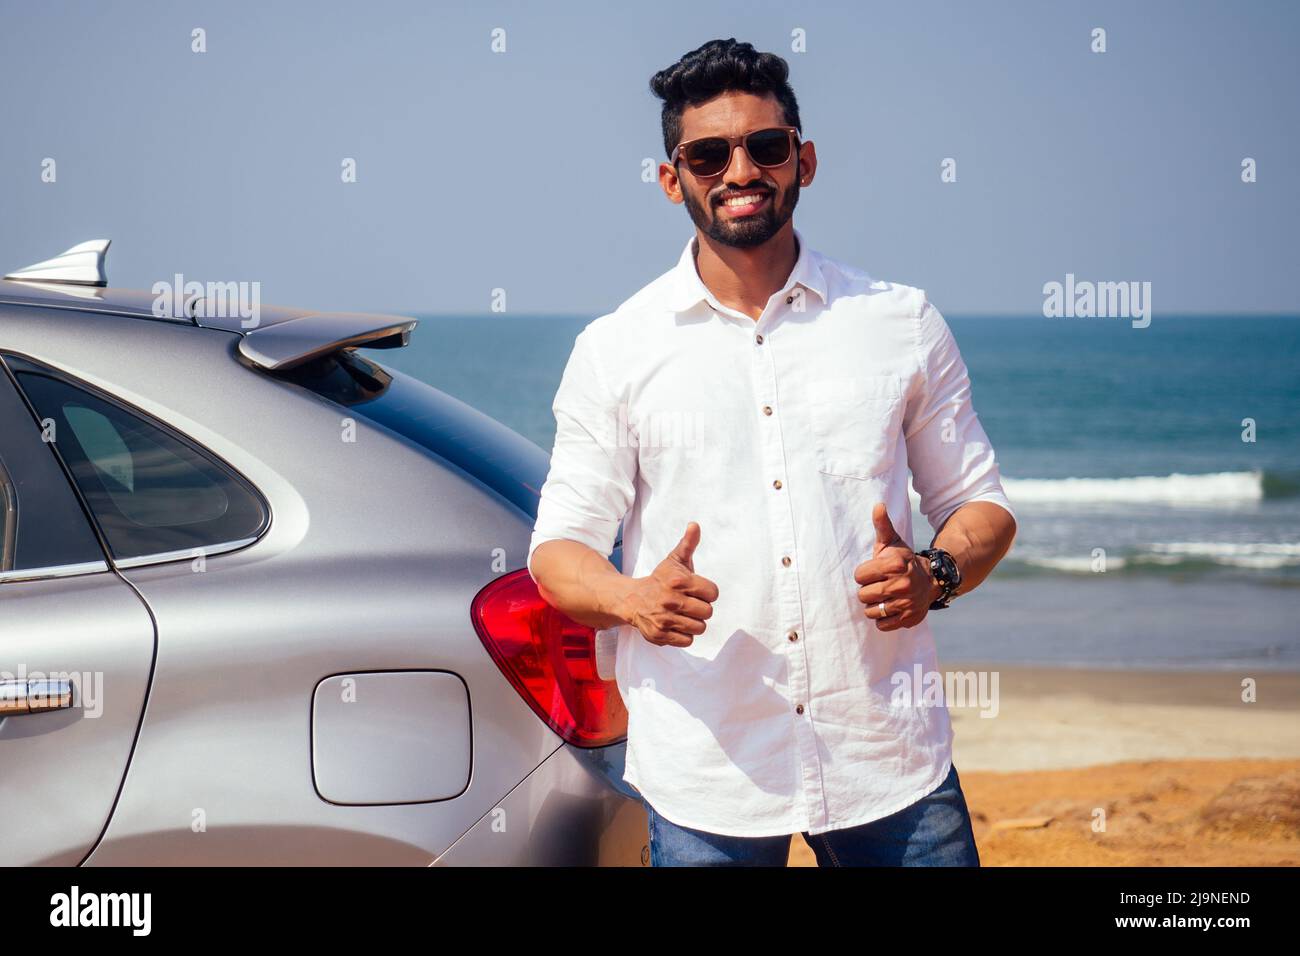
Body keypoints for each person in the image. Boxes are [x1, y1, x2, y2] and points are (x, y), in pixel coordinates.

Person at [527, 38, 1017, 866]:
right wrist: (632, 597)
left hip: (887, 761)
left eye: (765, 146)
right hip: (705, 771)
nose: (741, 170)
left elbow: (982, 506)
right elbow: (558, 553)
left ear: (805, 159)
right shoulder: (616, 350)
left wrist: (933, 574)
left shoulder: (899, 321)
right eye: (709, 154)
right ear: (671, 178)